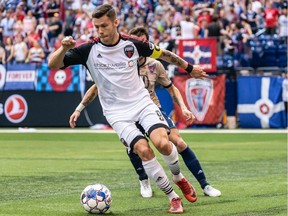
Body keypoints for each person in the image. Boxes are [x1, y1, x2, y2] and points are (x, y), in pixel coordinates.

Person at [48, 4, 208, 214]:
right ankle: (173, 197)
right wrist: (63, 48)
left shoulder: (133, 44)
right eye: (96, 27)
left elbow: (164, 54)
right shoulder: (88, 50)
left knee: (163, 143)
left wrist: (189, 68)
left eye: (104, 25)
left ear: (115, 23)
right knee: (143, 150)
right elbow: (53, 64)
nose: (100, 31)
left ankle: (178, 177)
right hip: (117, 114)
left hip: (142, 103)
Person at [70, 26, 221, 199]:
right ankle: (144, 181)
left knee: (178, 142)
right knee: (134, 148)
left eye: (142, 42)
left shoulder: (154, 65)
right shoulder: (121, 62)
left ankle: (205, 184)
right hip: (126, 111)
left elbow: (172, 89)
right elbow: (96, 88)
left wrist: (184, 107)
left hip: (151, 107)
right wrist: (79, 108)